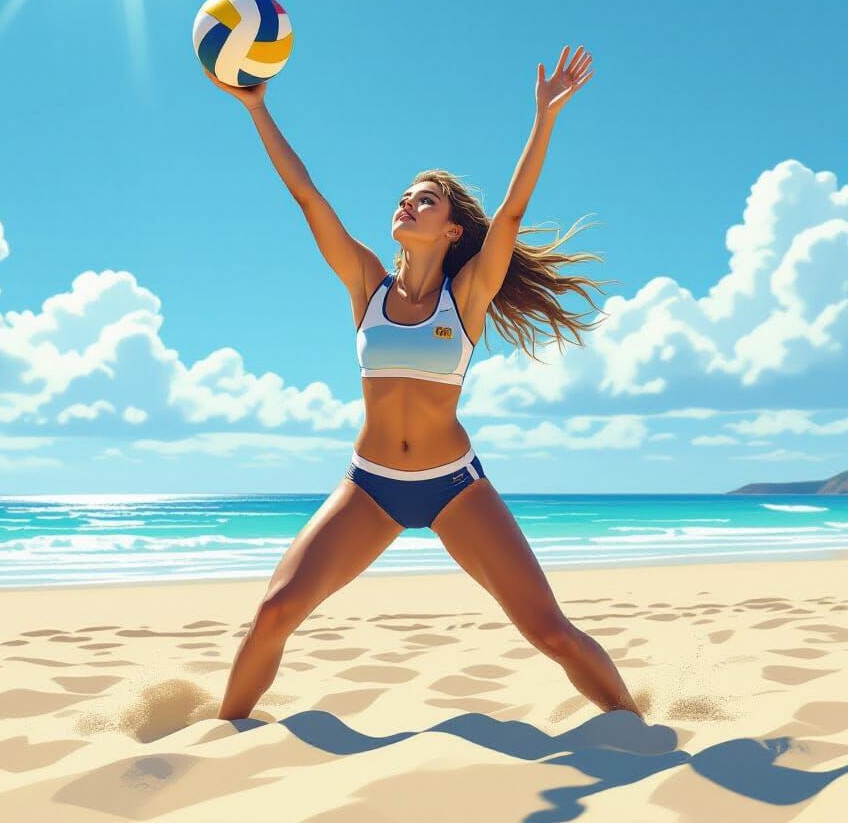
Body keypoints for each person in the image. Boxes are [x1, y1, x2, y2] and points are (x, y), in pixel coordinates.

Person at [203, 45, 644, 722]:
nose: (408, 203)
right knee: (275, 612)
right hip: (370, 486)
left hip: (454, 487)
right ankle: (221, 733)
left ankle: (636, 726)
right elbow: (307, 196)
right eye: (405, 197)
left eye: (425, 200)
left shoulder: (465, 297)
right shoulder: (366, 284)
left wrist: (544, 119)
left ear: (452, 228)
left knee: (549, 631)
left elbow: (512, 216)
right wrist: (258, 109)